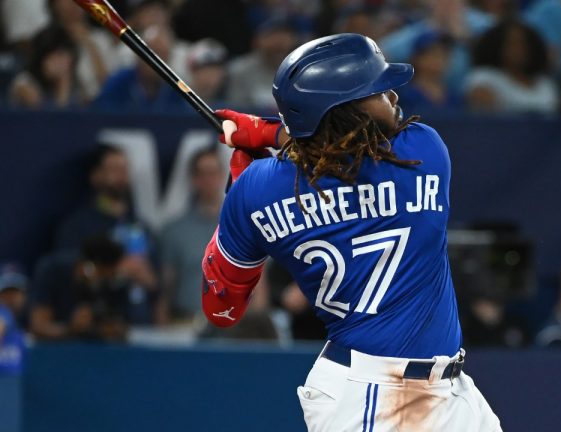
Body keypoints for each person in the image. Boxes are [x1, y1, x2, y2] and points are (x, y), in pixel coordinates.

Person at [202, 34, 501, 431]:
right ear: (344, 113)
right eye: (376, 91)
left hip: (427, 389)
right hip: (376, 400)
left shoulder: (257, 189)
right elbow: (344, 150)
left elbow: (221, 309)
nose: (393, 96)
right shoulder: (423, 152)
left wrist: (240, 195)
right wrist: (269, 133)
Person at [55, 144, 158, 324]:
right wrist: (115, 270)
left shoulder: (141, 227)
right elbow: (67, 276)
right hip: (96, 329)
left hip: (141, 328)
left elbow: (157, 285)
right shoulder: (78, 226)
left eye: (124, 168)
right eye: (113, 169)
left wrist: (148, 279)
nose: (122, 175)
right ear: (96, 176)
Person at [159, 148, 225, 322]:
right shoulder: (174, 231)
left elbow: (258, 283)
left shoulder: (243, 226)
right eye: (202, 174)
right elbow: (166, 287)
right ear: (194, 179)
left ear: (222, 176)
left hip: (232, 329)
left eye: (212, 173)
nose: (208, 180)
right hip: (185, 322)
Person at [29, 235, 129, 342]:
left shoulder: (114, 285)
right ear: (92, 267)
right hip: (54, 352)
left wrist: (110, 329)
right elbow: (38, 327)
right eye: (108, 273)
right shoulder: (53, 271)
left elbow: (121, 328)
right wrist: (71, 328)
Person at [465, 19, 559, 114]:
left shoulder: (546, 85)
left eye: (524, 44)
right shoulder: (484, 79)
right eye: (512, 44)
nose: (519, 50)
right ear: (497, 46)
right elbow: (485, 122)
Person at [8, 25, 84, 108]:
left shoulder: (74, 84)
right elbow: (49, 118)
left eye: (66, 56)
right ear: (42, 58)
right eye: (57, 55)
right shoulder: (24, 84)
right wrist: (63, 86)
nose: (63, 63)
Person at [0, 263, 26, 374]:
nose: (10, 298)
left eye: (14, 292)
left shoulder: (29, 317)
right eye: (6, 293)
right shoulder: (3, 313)